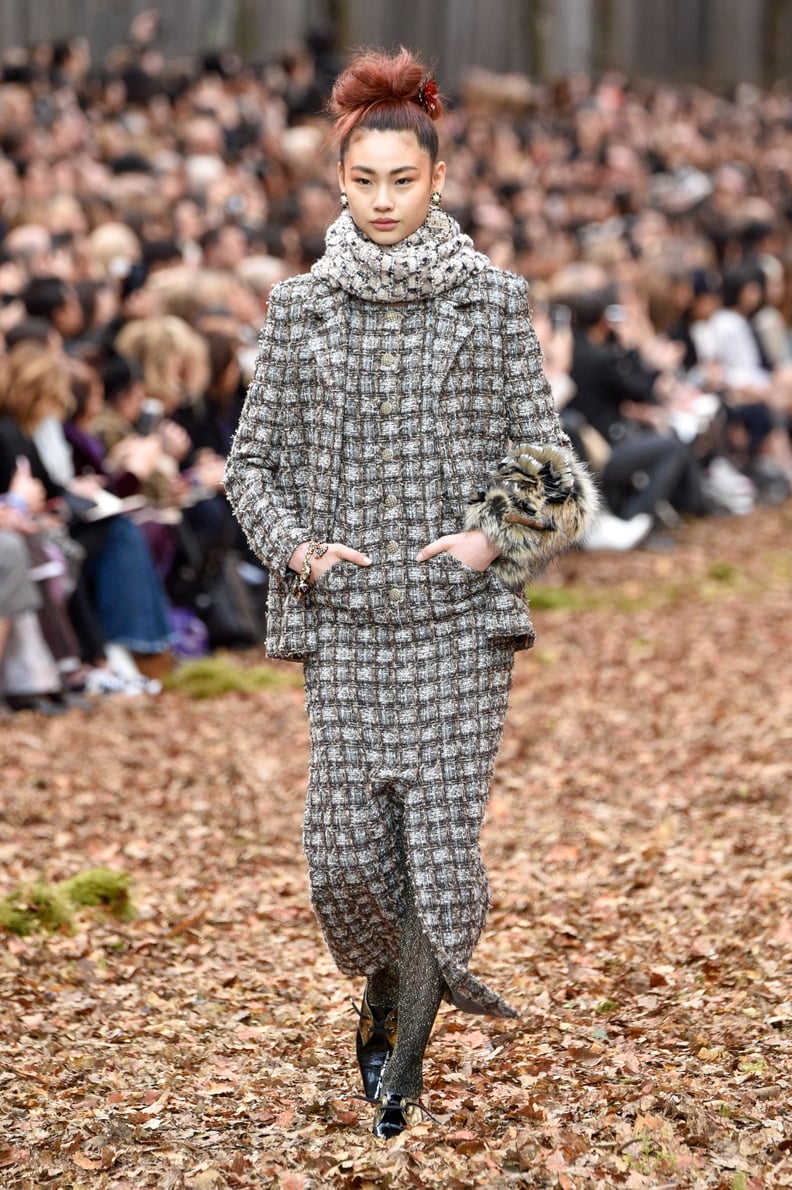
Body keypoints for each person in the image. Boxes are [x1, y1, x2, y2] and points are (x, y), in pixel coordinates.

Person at [224, 49, 598, 1139]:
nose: (384, 200)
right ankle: (385, 980)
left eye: (404, 179)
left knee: (436, 853)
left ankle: (405, 1060)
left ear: (437, 179)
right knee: (344, 853)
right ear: (340, 184)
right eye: (365, 180)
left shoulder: (492, 303)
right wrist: (296, 549)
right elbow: (251, 467)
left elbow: (553, 467)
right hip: (347, 626)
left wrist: (491, 538)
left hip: (454, 626)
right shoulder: (300, 309)